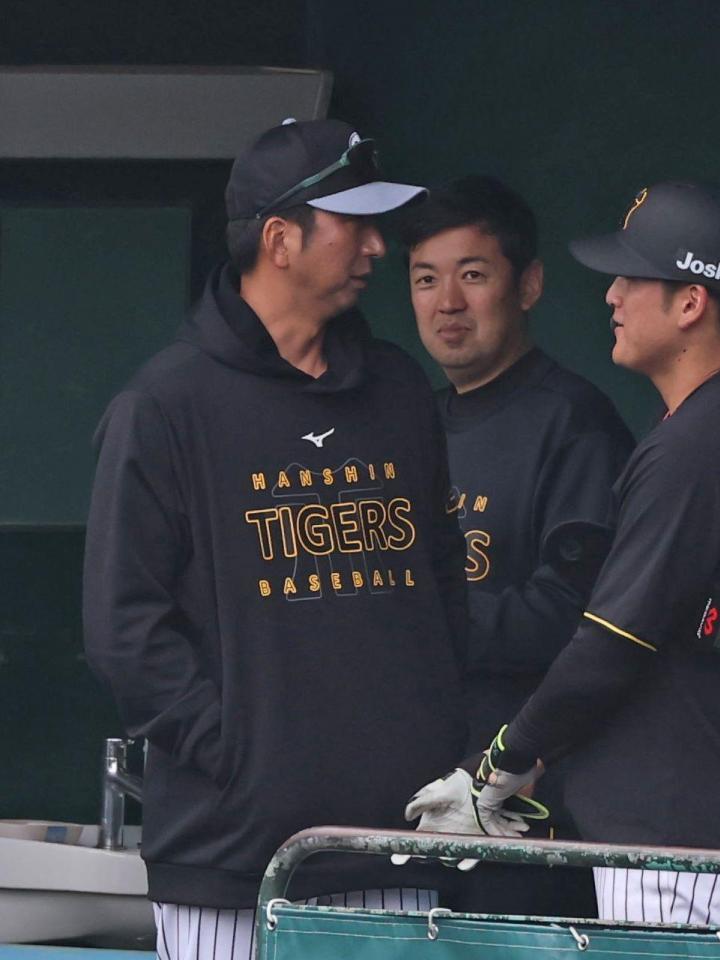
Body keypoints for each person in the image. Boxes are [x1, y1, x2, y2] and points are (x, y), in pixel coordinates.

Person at [83, 118, 486, 960]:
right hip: (231, 860)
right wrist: (240, 754)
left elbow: (442, 575)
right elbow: (125, 629)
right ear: (280, 239)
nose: (378, 248)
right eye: (357, 224)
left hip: (391, 843)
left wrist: (431, 728)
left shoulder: (400, 390)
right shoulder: (165, 407)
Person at [412, 180, 720, 926]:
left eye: (633, 277)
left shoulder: (703, 441)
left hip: (695, 830)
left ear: (691, 303)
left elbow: (613, 637)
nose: (611, 295)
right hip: (718, 813)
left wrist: (504, 761)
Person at [399, 176, 633, 917]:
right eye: (426, 279)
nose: (448, 303)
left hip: (522, 812)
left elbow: (576, 619)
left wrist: (407, 624)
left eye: (473, 275)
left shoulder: (574, 424)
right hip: (409, 806)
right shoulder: (407, 424)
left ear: (527, 285)